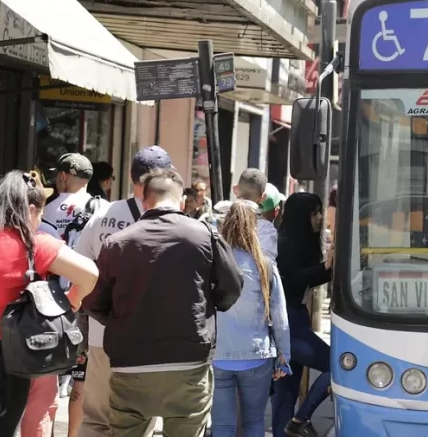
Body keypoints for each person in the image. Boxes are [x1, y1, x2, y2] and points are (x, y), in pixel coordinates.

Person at [83, 167, 243, 437]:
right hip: (189, 362)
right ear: (181, 202)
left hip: (131, 363)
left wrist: (125, 319)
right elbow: (232, 288)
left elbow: (95, 303)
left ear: (144, 202)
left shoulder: (116, 244)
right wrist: (206, 307)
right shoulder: (204, 235)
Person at [74, 146, 173, 437]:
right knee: (138, 420)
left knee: (95, 419)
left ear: (131, 178)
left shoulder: (103, 215)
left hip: (101, 334)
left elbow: (80, 268)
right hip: (146, 339)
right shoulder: (171, 221)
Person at [0, 171, 98, 437]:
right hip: (8, 358)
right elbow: (90, 275)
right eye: (40, 211)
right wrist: (72, 302)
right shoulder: (34, 245)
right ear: (29, 210)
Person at [211, 199, 291, 437]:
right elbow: (280, 316)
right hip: (257, 356)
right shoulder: (264, 264)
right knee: (254, 423)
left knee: (222, 426)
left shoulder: (211, 263)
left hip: (218, 355)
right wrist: (284, 357)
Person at [271, 193, 333, 437]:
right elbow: (292, 280)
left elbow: (306, 278)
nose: (319, 218)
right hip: (289, 324)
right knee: (337, 367)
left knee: (286, 395)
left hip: (294, 321)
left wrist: (327, 268)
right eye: (314, 213)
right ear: (300, 216)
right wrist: (325, 268)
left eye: (320, 212)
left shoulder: (297, 242)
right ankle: (301, 420)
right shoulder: (285, 243)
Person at [233, 169, 278, 262]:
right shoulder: (266, 229)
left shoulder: (214, 217)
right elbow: (267, 266)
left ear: (235, 189)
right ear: (262, 197)